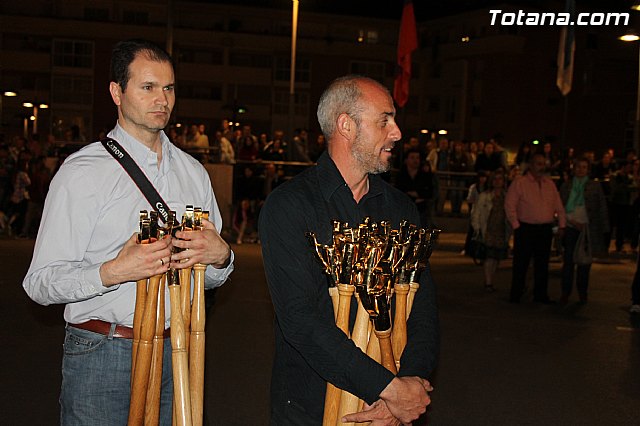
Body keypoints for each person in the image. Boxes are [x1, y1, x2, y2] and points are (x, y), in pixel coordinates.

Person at [21, 39, 234, 425]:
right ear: (117, 92)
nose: (162, 100)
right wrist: (113, 271)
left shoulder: (192, 172)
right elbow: (39, 283)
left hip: (179, 349)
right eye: (148, 87)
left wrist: (221, 257)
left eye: (169, 88)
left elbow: (209, 278)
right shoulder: (83, 172)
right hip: (103, 351)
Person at [259, 75, 438, 425]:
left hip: (390, 408)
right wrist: (387, 387)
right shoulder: (289, 207)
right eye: (384, 120)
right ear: (346, 126)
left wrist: (410, 384)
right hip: (310, 406)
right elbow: (301, 321)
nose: (397, 133)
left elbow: (423, 310)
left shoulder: (401, 209)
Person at [505, 152, 566, 304]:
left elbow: (558, 205)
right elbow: (509, 205)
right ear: (531, 165)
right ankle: (516, 294)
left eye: (543, 164)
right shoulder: (520, 183)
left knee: (542, 264)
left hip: (544, 229)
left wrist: (562, 225)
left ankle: (540, 295)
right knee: (521, 263)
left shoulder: (549, 184)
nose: (541, 167)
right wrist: (516, 225)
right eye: (538, 164)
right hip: (525, 228)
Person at [559, 157, 609, 305]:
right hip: (570, 227)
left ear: (588, 170)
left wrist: (605, 228)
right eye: (578, 167)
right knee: (568, 262)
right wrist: (568, 222)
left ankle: (582, 291)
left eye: (584, 167)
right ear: (574, 169)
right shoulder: (566, 186)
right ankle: (565, 292)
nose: (581, 170)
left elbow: (601, 207)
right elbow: (560, 207)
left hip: (588, 229)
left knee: (585, 262)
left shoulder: (595, 186)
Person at [471, 171, 510, 292]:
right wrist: (477, 227)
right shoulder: (485, 196)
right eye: (495, 179)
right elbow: (476, 212)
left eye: (500, 179)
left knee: (496, 257)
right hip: (488, 228)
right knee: (489, 256)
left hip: (501, 229)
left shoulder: (507, 196)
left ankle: (490, 279)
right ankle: (488, 282)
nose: (498, 181)